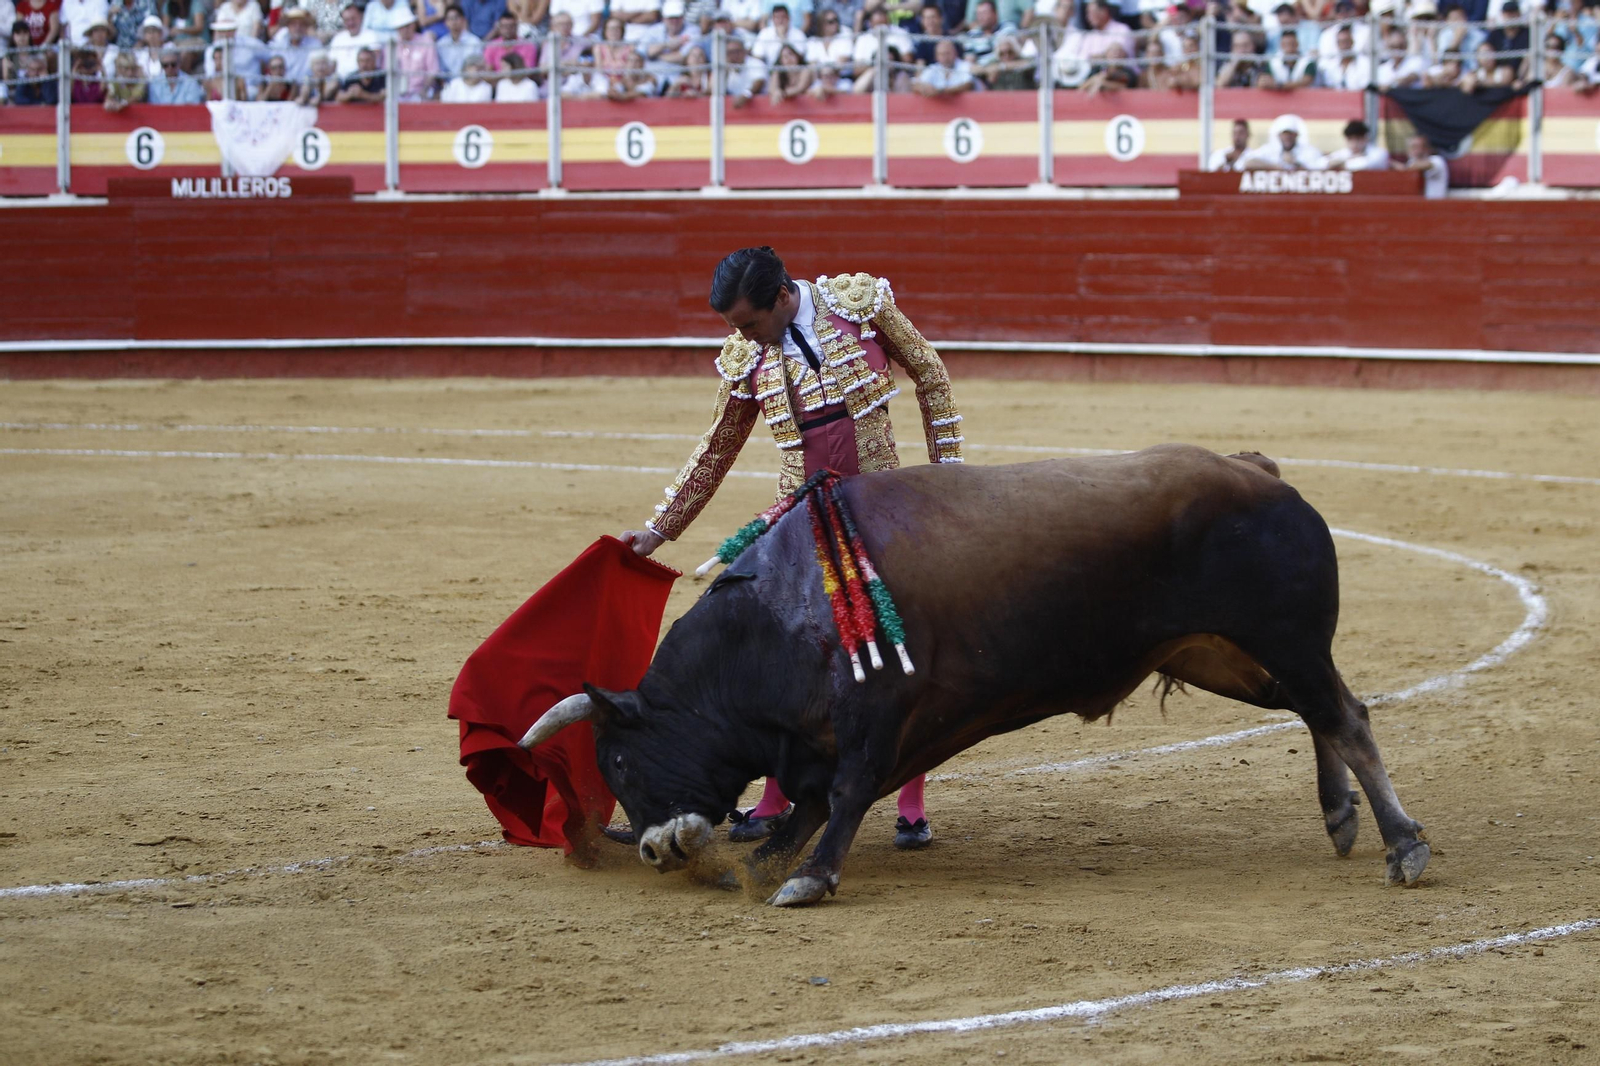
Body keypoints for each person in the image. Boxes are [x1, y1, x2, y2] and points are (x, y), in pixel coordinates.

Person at [619, 247, 966, 851]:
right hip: (796, 520)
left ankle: (912, 803)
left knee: (893, 647)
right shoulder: (746, 356)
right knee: (782, 656)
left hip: (878, 507)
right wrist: (659, 529)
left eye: (750, 323)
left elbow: (931, 376)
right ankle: (776, 796)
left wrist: (949, 476)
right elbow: (716, 448)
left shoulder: (859, 305)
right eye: (736, 328)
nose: (745, 337)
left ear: (782, 296)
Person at [1241, 117, 1324, 169]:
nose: (1287, 137)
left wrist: (1296, 164)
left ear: (1296, 135)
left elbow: (1320, 168)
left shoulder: (1309, 152)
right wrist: (1277, 166)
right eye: (1284, 134)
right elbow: (1248, 162)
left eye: (1290, 134)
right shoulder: (1269, 150)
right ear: (1278, 136)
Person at [394, 11, 439, 97]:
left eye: (407, 26)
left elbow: (433, 71)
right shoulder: (393, 45)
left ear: (413, 25)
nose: (404, 30)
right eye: (400, 27)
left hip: (421, 92)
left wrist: (424, 90)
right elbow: (387, 70)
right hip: (398, 93)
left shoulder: (426, 41)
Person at [329, 1, 379, 77]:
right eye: (347, 20)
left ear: (361, 17)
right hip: (340, 81)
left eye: (353, 18)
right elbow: (332, 65)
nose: (350, 23)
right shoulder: (338, 39)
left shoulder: (371, 35)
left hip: (362, 79)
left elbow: (375, 61)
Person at [1394, 131, 1447, 199]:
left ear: (1428, 148)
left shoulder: (1437, 160)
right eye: (1414, 147)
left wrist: (1404, 168)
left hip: (1435, 206)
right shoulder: (1410, 163)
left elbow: (1426, 165)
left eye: (1422, 146)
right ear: (1408, 150)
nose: (1419, 151)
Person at [435, 4, 482, 79]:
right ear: (445, 22)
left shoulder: (474, 41)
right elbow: (441, 70)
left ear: (463, 20)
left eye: (456, 18)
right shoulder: (441, 44)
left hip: (470, 83)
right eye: (450, 19)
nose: (453, 22)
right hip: (449, 84)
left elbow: (478, 67)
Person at [1323, 118, 1389, 171]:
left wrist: (1341, 163)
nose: (1354, 143)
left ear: (1366, 138)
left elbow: (1366, 165)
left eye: (1358, 139)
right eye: (1350, 139)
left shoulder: (1379, 153)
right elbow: (1321, 163)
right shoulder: (1343, 153)